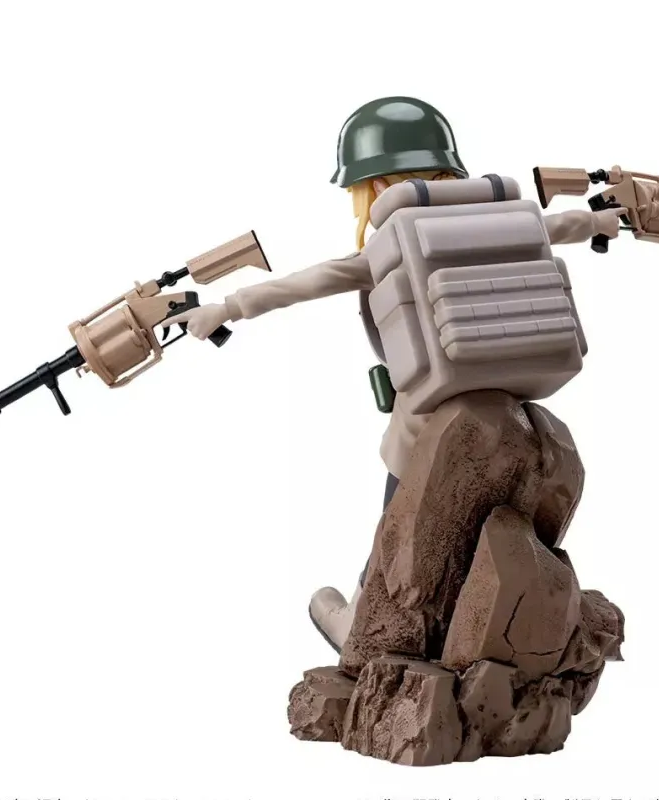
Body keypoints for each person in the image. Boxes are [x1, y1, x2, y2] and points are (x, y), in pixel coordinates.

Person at [168, 96, 626, 652]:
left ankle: (360, 619)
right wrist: (602, 219)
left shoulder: (392, 242)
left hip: (430, 410)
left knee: (397, 518)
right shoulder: (506, 218)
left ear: (377, 185)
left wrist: (227, 307)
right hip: (522, 387)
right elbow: (562, 225)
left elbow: (311, 280)